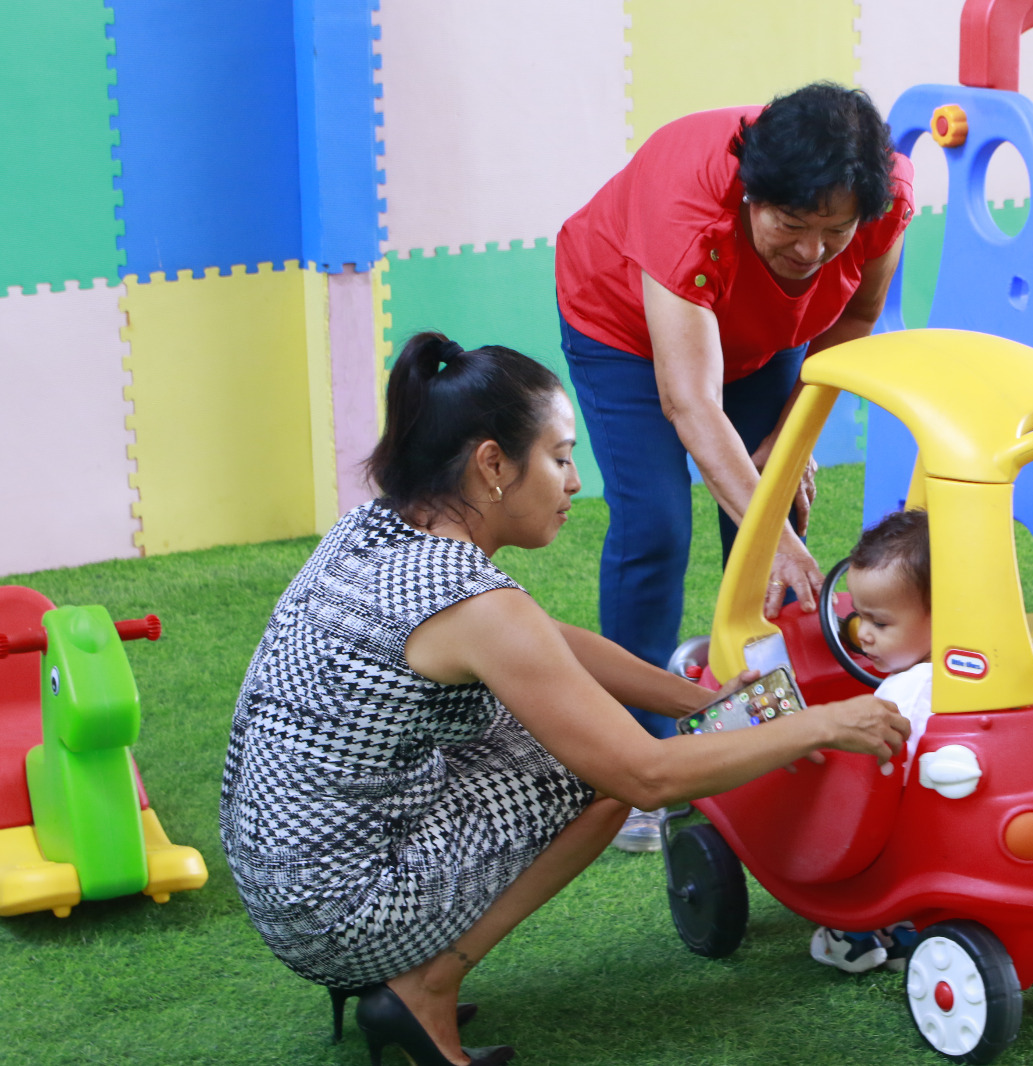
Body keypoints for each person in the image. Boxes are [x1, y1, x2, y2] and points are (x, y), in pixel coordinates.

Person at [218, 332, 910, 1066]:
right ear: (492, 465)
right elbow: (645, 776)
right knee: (599, 778)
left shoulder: (378, 527)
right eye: (559, 456)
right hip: (336, 908)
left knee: (559, 730)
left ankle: (406, 973)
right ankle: (424, 984)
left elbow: (549, 642)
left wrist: (693, 699)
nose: (576, 480)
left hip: (279, 869)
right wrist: (824, 724)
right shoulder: (471, 602)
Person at [554, 83, 915, 854]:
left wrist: (793, 438)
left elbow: (854, 317)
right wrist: (771, 526)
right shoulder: (687, 204)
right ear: (752, 194)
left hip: (768, 331)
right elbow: (690, 404)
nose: (814, 250)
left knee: (765, 516)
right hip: (626, 328)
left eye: (835, 231)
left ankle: (757, 729)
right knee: (657, 524)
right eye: (792, 224)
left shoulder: (884, 197)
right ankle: (635, 763)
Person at [809, 509, 933, 974]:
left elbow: (872, 775)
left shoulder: (902, 692)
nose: (861, 633)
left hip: (893, 842)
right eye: (858, 616)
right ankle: (905, 930)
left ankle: (851, 933)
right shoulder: (987, 672)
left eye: (879, 623)